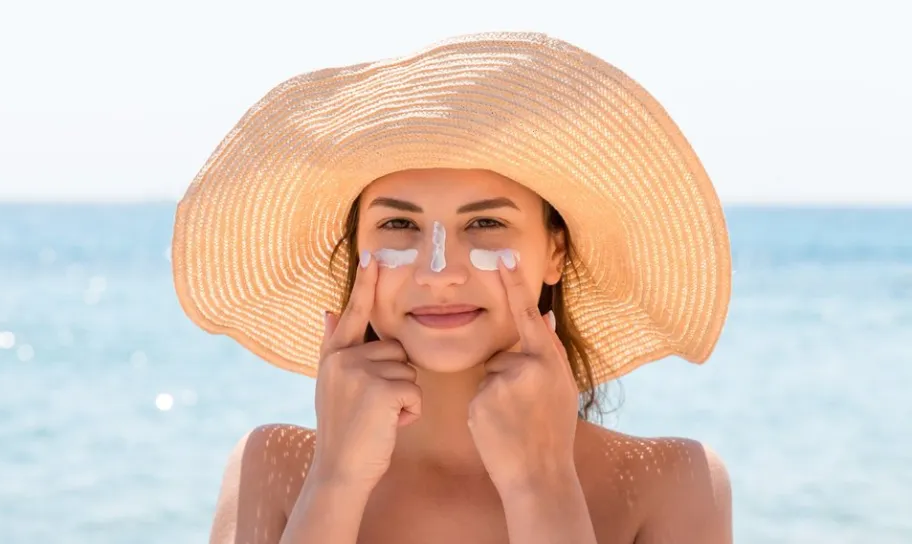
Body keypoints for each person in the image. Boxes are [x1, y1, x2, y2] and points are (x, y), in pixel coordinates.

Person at [171, 32, 734, 543]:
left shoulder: (674, 486)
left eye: (485, 224)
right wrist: (336, 479)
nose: (439, 271)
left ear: (555, 251)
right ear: (356, 252)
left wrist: (541, 486)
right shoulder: (272, 469)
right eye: (398, 225)